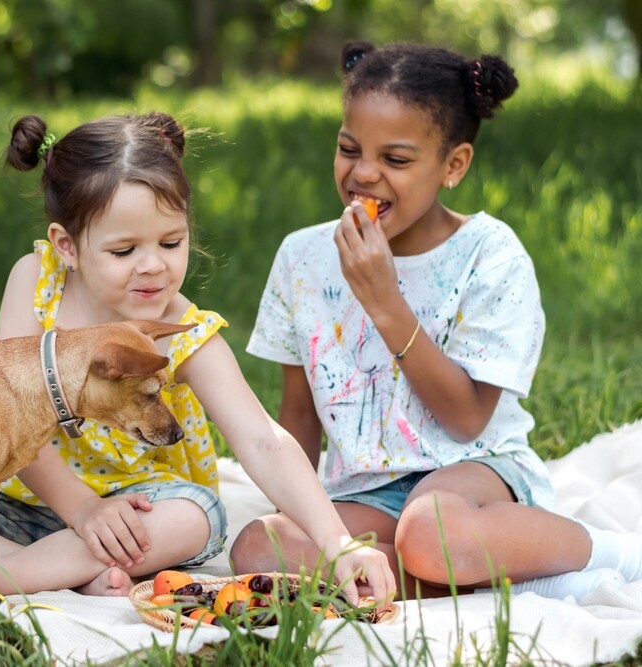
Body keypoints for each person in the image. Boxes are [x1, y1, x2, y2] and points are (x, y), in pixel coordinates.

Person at [0, 110, 396, 606]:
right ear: (67, 246)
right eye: (124, 250)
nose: (153, 266)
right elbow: (0, 420)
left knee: (198, 517)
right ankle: (57, 569)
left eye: (171, 243)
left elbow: (261, 440)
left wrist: (338, 543)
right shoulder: (36, 283)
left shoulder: (181, 331)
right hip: (21, 500)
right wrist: (79, 510)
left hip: (138, 512)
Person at [228, 40, 642, 602]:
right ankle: (504, 574)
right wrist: (306, 519)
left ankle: (614, 554)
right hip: (368, 491)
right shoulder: (302, 258)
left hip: (474, 472)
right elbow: (299, 415)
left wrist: (384, 302)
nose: (364, 174)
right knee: (258, 548)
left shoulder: (489, 254)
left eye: (396, 160)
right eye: (349, 149)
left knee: (429, 531)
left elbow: (468, 419)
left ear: (454, 165)